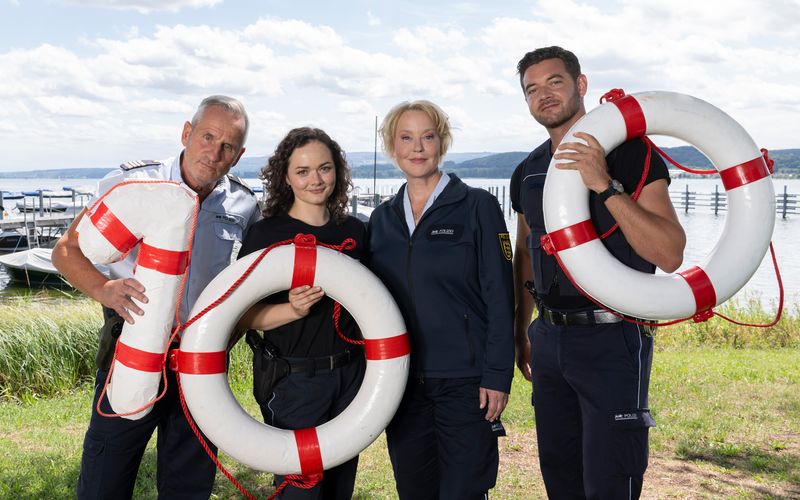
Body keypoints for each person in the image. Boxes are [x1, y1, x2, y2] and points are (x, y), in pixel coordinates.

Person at [52, 95, 260, 500]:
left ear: (239, 155)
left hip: (199, 364)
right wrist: (102, 288)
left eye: (227, 146)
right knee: (104, 479)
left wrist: (223, 337)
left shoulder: (245, 203)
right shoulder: (133, 183)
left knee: (189, 484)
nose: (214, 153)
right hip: (130, 351)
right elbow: (66, 250)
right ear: (186, 133)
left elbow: (245, 289)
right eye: (207, 137)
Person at [511, 46, 686, 499]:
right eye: (532, 89)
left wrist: (603, 185)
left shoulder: (630, 154)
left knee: (610, 479)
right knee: (560, 476)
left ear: (581, 85)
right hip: (548, 339)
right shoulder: (527, 171)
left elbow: (669, 253)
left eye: (555, 82)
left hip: (613, 338)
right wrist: (521, 331)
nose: (544, 95)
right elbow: (527, 255)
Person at [367, 100, 515, 499]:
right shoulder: (381, 220)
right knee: (414, 490)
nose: (418, 148)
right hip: (402, 382)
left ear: (442, 143)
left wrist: (497, 375)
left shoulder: (478, 207)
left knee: (464, 491)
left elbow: (501, 298)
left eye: (427, 137)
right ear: (392, 147)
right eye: (406, 138)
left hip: (465, 382)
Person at [236, 127, 366, 499]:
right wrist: (291, 309)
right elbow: (244, 316)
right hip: (294, 382)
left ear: (337, 173)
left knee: (340, 487)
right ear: (286, 177)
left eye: (324, 169)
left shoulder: (355, 233)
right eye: (303, 171)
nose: (316, 180)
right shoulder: (265, 236)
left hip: (350, 377)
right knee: (301, 491)